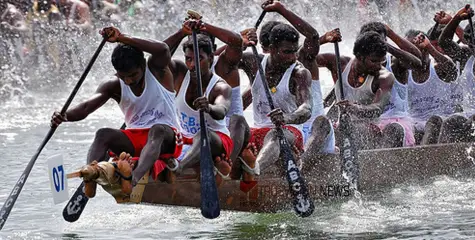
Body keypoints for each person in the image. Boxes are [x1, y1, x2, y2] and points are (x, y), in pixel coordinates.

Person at [51, 26, 182, 196]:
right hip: (136, 139)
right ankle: (91, 176)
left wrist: (122, 38)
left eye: (133, 75)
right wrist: (64, 115)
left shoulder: (157, 70)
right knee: (103, 133)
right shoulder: (113, 84)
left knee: (157, 129)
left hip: (167, 138)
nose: (128, 81)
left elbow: (162, 49)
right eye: (123, 76)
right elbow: (85, 108)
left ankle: (132, 180)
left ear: (142, 65)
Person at [258, 0, 335, 155]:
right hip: (282, 134)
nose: (267, 55)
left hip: (312, 132)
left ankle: (301, 163)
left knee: (322, 122)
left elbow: (312, 36)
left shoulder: (300, 63)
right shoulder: (262, 65)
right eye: (265, 50)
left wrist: (281, 9)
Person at [167, 19, 235, 186]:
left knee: (203, 136)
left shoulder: (221, 86)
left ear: (211, 58)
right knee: (160, 130)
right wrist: (181, 33)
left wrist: (209, 107)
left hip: (216, 140)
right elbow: (159, 56)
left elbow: (222, 110)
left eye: (199, 59)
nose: (192, 65)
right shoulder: (180, 73)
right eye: (188, 59)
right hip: (185, 140)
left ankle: (179, 169)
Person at [241, 22, 313, 180]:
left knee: (276, 134)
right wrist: (242, 43)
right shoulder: (254, 63)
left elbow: (307, 108)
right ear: (272, 48)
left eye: (295, 51)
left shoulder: (299, 73)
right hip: (258, 130)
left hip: (288, 132)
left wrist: (286, 117)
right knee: (237, 125)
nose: (293, 57)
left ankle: (254, 169)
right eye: (287, 52)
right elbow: (220, 60)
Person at [334, 31, 395, 150]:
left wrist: (356, 108)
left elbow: (378, 108)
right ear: (359, 56)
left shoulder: (384, 77)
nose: (378, 66)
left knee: (353, 128)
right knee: (323, 124)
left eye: (381, 61)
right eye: (374, 61)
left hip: (368, 127)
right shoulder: (340, 64)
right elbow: (306, 56)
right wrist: (324, 39)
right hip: (342, 125)